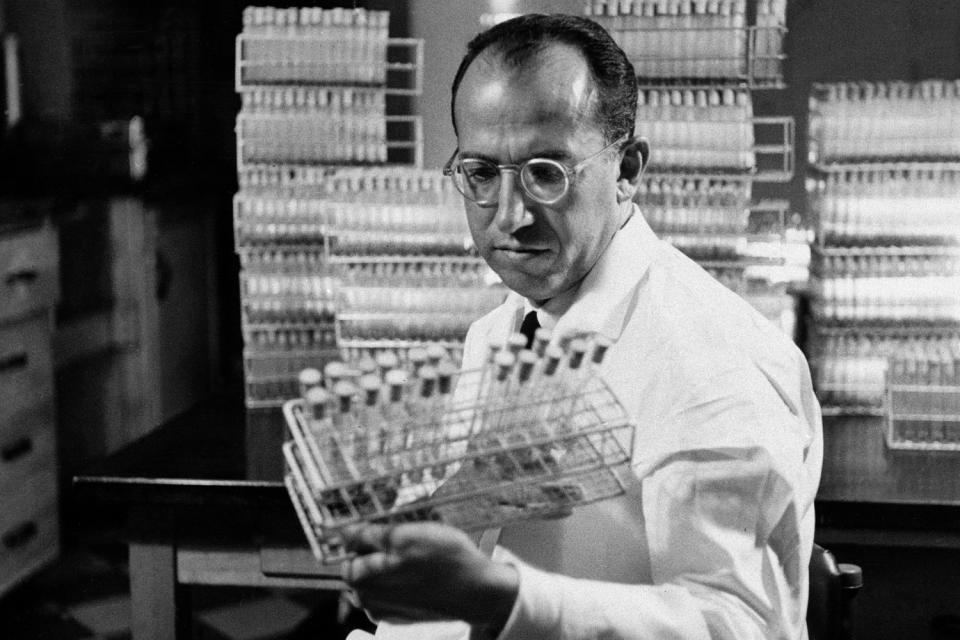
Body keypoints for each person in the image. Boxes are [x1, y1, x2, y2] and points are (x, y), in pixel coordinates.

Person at [340, 13, 822, 640]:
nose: (510, 218)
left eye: (547, 172)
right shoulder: (506, 331)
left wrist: (502, 600)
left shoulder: (708, 359)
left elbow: (743, 626)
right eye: (482, 174)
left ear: (626, 172)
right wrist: (431, 535)